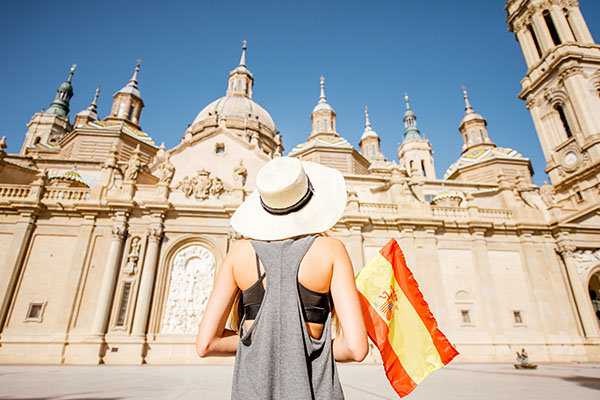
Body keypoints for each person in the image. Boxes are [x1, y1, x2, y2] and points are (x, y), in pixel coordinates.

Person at [196, 156, 368, 399]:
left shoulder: (238, 254)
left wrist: (265, 342)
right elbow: (356, 348)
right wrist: (298, 345)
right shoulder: (331, 250)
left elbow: (206, 344)